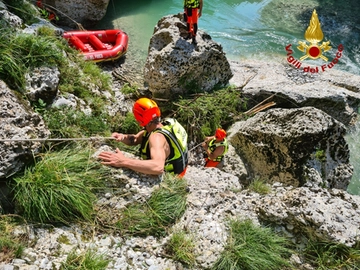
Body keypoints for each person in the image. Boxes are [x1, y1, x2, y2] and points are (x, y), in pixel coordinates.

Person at [98, 98, 188, 177]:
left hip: (171, 177)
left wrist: (123, 161)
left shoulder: (156, 138)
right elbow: (136, 139)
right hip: (180, 170)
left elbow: (158, 167)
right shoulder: (167, 124)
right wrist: (122, 137)